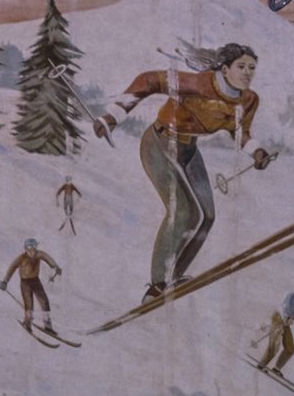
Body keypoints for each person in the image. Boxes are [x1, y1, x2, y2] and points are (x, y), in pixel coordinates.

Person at [92, 42, 271, 301]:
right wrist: (113, 115)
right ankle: (156, 285)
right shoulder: (198, 84)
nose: (247, 73)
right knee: (182, 211)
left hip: (188, 151)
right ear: (225, 68)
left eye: (252, 68)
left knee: (207, 216)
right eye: (241, 67)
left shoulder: (249, 99)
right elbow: (149, 80)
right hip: (159, 145)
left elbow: (239, 131)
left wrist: (256, 151)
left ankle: (174, 276)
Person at [0, 238, 62, 331]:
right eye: (30, 247)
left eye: (34, 247)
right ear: (25, 248)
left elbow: (48, 258)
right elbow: (12, 268)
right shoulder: (22, 258)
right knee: (29, 305)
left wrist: (55, 267)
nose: (32, 250)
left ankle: (48, 325)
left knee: (44, 302)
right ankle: (27, 324)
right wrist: (5, 281)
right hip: (25, 283)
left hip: (36, 281)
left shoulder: (39, 254)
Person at [254, 283, 294, 377]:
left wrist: (292, 319)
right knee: (274, 345)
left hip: (286, 323)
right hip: (278, 318)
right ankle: (261, 365)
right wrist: (285, 317)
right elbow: (283, 306)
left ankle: (276, 368)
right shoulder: (292, 296)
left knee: (290, 348)